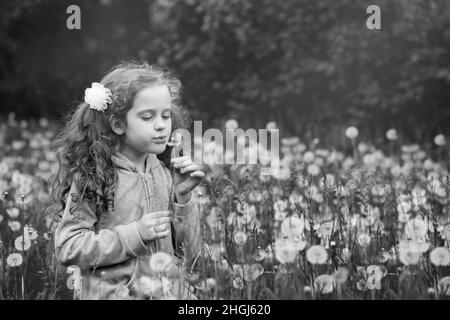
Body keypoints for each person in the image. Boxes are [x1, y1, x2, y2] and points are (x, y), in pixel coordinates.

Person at [52, 61, 204, 299]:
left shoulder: (165, 174)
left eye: (166, 115)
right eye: (147, 117)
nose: (161, 125)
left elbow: (191, 254)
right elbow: (68, 247)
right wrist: (135, 234)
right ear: (118, 124)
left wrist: (183, 198)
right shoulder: (95, 176)